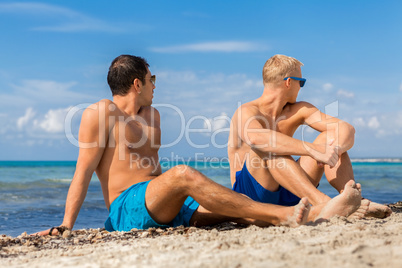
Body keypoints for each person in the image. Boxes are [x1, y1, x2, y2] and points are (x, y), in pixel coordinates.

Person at [34, 55, 314, 236]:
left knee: (240, 211)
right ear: (136, 84)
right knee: (183, 174)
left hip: (167, 202)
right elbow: (82, 173)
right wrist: (66, 225)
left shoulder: (152, 115)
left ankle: (310, 212)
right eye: (151, 79)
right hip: (127, 206)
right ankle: (283, 214)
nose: (155, 86)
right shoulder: (101, 113)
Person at [227, 54, 392, 221]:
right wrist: (313, 150)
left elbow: (345, 128)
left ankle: (352, 201)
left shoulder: (299, 110)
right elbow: (256, 139)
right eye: (301, 82)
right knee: (268, 147)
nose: (301, 87)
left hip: (291, 189)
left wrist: (334, 150)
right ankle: (325, 203)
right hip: (252, 197)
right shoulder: (246, 111)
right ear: (289, 82)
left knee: (330, 138)